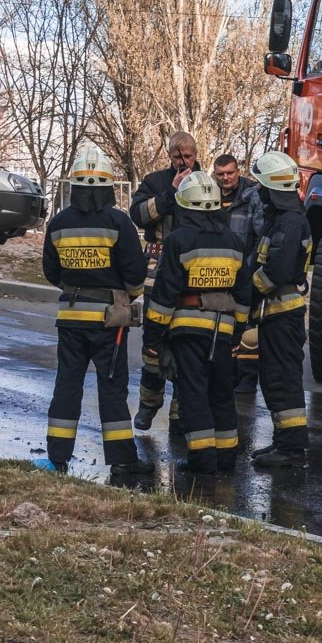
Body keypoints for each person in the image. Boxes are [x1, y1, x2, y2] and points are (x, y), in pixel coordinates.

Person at [41, 148, 152, 476]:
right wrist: (128, 296)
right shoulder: (119, 222)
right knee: (112, 388)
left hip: (71, 318)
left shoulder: (59, 223)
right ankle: (121, 460)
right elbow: (134, 273)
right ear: (108, 185)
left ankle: (58, 457)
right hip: (109, 322)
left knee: (67, 386)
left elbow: (51, 271)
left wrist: (74, 287)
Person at [143, 172, 250, 474]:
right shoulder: (234, 241)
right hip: (224, 331)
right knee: (221, 395)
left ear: (185, 207)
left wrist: (153, 339)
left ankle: (203, 462)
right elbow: (243, 294)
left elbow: (164, 296)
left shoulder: (178, 240)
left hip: (188, 332)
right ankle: (226, 459)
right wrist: (237, 332)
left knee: (194, 395)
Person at [130, 131, 199, 431]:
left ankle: (180, 411)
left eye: (189, 157)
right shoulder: (155, 181)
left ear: (196, 154)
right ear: (169, 155)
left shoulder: (205, 182)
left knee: (187, 343)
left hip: (192, 271)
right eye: (177, 157)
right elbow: (138, 215)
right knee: (153, 344)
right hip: (157, 271)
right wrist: (169, 194)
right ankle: (148, 404)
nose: (183, 162)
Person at [248, 151, 313, 468]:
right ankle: (283, 442)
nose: (258, 192)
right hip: (274, 315)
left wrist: (246, 293)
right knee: (273, 377)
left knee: (283, 379)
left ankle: (290, 449)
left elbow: (278, 270)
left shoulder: (290, 222)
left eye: (261, 186)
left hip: (282, 315)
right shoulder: (283, 218)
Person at [212, 154, 264, 394]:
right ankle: (225, 374)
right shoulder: (208, 195)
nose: (226, 178)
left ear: (238, 170)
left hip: (244, 274)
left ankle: (247, 378)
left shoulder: (252, 196)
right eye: (221, 174)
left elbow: (259, 235)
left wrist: (249, 271)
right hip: (216, 275)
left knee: (248, 329)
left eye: (230, 173)